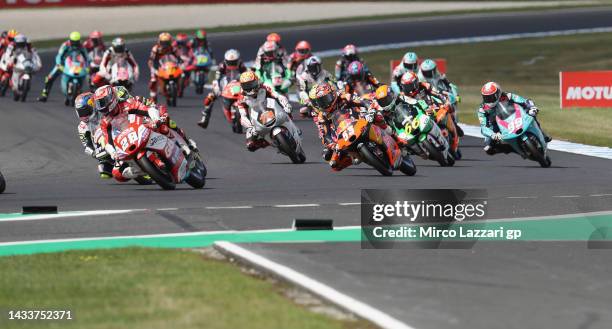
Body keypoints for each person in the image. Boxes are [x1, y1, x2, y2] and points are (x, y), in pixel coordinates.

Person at [478, 82, 551, 155]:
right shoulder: (482, 109)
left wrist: (531, 107)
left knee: (531, 114)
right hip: (496, 126)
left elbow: (525, 101)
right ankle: (512, 148)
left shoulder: (508, 96)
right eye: (486, 98)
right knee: (488, 147)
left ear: (498, 93)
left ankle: (542, 134)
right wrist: (492, 134)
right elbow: (483, 127)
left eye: (491, 97)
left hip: (513, 115)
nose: (489, 100)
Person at [235, 71, 292, 151]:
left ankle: (291, 126)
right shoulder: (242, 98)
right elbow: (243, 116)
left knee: (288, 111)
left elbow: (278, 96)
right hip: (257, 118)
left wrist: (286, 105)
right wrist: (250, 126)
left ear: (257, 81)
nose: (249, 87)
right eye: (246, 85)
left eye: (251, 84)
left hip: (273, 110)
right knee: (250, 145)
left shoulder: (264, 88)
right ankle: (268, 142)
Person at [199, 49, 247, 128]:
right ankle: (205, 118)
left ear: (238, 60)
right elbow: (217, 78)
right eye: (230, 62)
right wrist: (217, 87)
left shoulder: (241, 65)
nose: (232, 64)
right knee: (211, 96)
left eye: (234, 62)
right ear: (226, 60)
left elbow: (246, 75)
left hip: (237, 85)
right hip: (225, 85)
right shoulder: (222, 65)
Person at [38, 31, 89, 102]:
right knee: (49, 77)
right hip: (64, 64)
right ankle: (45, 94)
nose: (75, 44)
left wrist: (87, 67)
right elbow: (59, 55)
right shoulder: (65, 45)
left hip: (76, 65)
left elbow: (87, 57)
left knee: (88, 76)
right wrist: (59, 64)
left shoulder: (82, 46)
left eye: (76, 42)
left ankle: (82, 91)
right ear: (70, 40)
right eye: (73, 42)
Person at [74, 92, 113, 178]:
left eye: (86, 111)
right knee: (104, 172)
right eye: (81, 112)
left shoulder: (103, 111)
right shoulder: (82, 127)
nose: (84, 115)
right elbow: (86, 145)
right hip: (103, 148)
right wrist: (94, 153)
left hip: (116, 136)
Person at [147, 32, 181, 101]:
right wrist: (153, 67)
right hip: (158, 66)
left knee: (180, 74)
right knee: (153, 80)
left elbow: (178, 57)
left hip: (170, 65)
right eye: (163, 42)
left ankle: (179, 89)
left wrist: (180, 62)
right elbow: (151, 60)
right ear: (160, 41)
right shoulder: (155, 49)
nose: (165, 45)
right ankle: (153, 96)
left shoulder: (173, 48)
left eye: (167, 42)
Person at [174, 33, 196, 97]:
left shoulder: (188, 46)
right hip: (175, 61)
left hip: (185, 62)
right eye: (180, 41)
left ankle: (184, 84)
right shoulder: (174, 46)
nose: (182, 43)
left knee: (189, 73)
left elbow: (192, 53)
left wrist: (192, 60)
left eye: (183, 41)